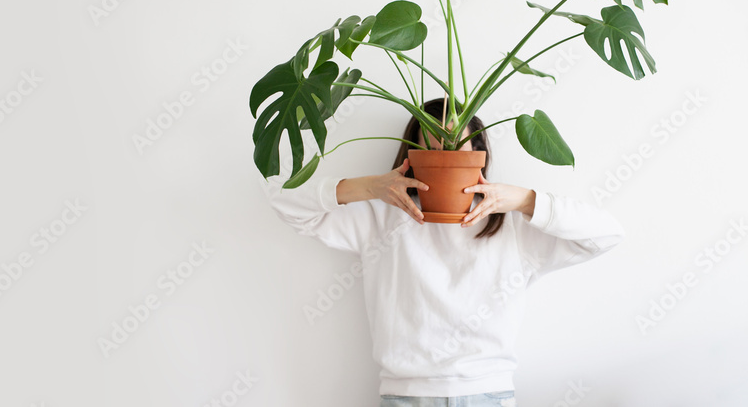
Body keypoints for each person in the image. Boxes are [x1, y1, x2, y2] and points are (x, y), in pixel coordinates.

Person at [261, 98, 625, 407]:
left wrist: (523, 199)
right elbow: (285, 203)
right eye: (430, 150)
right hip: (406, 395)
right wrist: (374, 186)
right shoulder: (381, 218)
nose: (442, 158)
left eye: (454, 150)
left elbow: (605, 234)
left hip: (488, 393)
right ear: (412, 155)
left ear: (477, 155)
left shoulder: (513, 226)